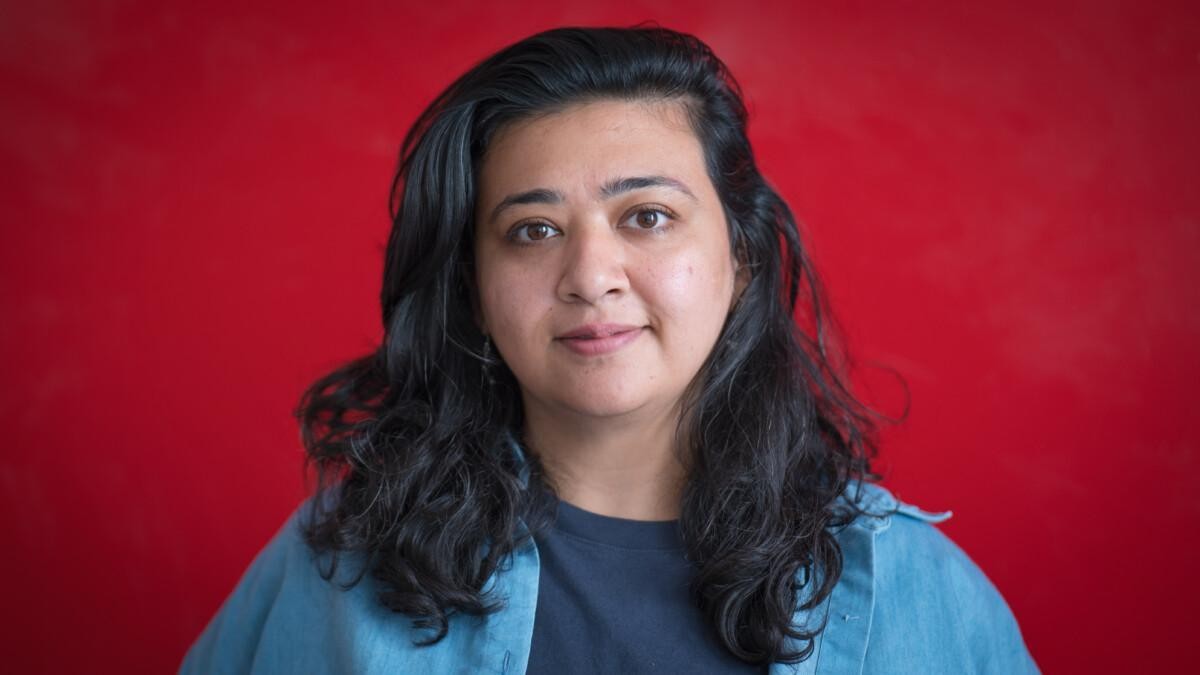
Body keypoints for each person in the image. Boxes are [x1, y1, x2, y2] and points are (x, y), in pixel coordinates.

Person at [181, 26, 1039, 674]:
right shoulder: (339, 565)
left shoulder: (912, 588)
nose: (591, 275)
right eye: (533, 230)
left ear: (740, 258)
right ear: (474, 290)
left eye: (648, 216)